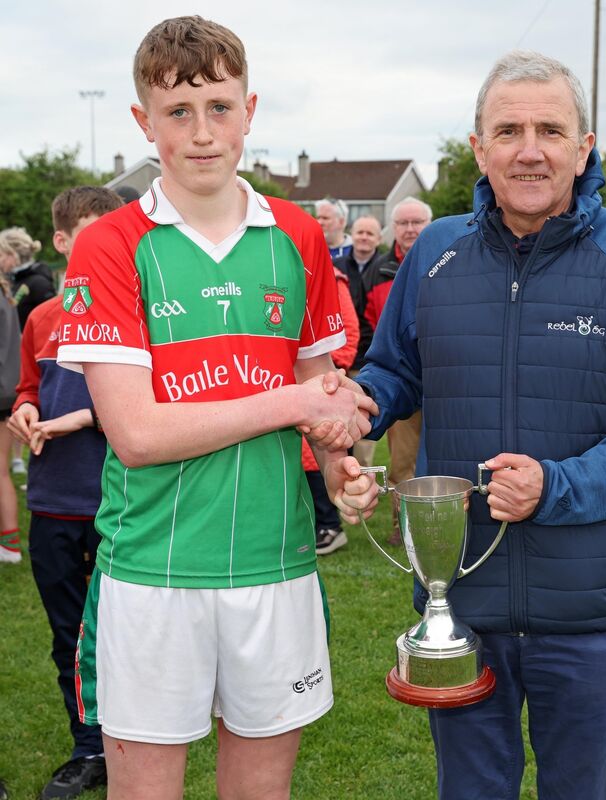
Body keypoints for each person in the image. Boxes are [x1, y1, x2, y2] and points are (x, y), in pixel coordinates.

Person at [326, 50, 606, 800]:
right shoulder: (436, 250)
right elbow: (396, 369)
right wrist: (358, 407)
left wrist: (558, 486)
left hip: (585, 611)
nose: (529, 149)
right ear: (478, 147)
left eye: (549, 129)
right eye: (507, 130)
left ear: (584, 146)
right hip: (460, 605)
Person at [55, 16, 374, 800]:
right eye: (177, 112)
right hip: (154, 574)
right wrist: (295, 400)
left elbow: (322, 398)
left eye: (220, 108)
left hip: (278, 565)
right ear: (143, 121)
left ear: (250, 109)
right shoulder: (110, 245)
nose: (202, 134)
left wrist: (342, 465)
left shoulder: (299, 237)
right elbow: (136, 435)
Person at [7, 187, 124, 798]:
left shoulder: (142, 312)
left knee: (122, 631)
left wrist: (79, 420)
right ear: (60, 242)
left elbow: (156, 408)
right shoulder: (42, 318)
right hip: (52, 500)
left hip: (118, 502)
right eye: (88, 238)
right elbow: (28, 389)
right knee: (67, 633)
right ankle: (89, 747)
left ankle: (135, 738)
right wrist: (26, 412)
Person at [365, 197, 432, 543]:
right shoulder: (378, 270)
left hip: (440, 380)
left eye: (417, 222)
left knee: (441, 457)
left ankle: (439, 521)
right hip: (400, 378)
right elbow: (366, 321)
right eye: (404, 223)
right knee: (403, 460)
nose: (410, 230)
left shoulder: (448, 258)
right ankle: (402, 524)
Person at [303, 267, 360, 555]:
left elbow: (347, 332)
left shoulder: (330, 277)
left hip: (318, 383)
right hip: (288, 386)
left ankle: (329, 525)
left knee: (322, 451)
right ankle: (312, 523)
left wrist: (326, 369)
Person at [334, 215, 383, 467]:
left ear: (379, 239)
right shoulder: (338, 265)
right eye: (360, 232)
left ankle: (363, 474)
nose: (364, 237)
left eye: (370, 233)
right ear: (352, 235)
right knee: (336, 419)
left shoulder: (385, 268)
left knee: (364, 418)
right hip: (339, 358)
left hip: (368, 358)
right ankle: (339, 467)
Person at [0, 264, 21, 563]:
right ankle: (11, 543)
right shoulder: (7, 296)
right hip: (8, 390)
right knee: (1, 471)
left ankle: (10, 544)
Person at [0, 227, 56, 329]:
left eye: (1, 255)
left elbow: (52, 325)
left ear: (13, 254)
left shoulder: (39, 284)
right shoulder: (12, 281)